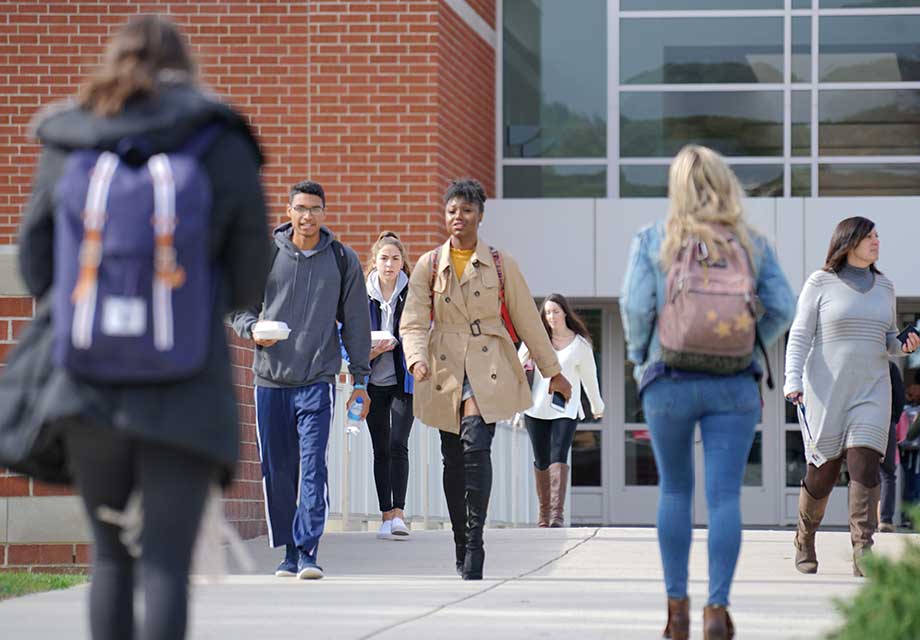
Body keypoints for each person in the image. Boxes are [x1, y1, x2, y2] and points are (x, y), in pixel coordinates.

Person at [14, 15, 270, 640]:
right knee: (164, 562)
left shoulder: (71, 136)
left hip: (88, 385)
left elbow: (34, 263)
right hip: (185, 386)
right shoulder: (220, 139)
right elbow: (251, 273)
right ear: (187, 65)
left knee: (111, 558)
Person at [621, 145, 795, 640]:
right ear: (725, 183)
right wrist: (749, 344)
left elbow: (634, 308)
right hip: (734, 385)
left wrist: (640, 359)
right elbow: (784, 306)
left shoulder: (655, 238)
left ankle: (676, 612)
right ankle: (716, 612)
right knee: (724, 499)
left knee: (675, 490)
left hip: (668, 379)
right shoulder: (752, 243)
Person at [400, 178, 572, 580]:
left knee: (476, 447)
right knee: (452, 458)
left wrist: (555, 373)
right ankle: (460, 538)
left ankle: (475, 542)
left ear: (480, 215)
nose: (457, 218)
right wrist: (415, 359)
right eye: (451, 211)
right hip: (443, 365)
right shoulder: (428, 264)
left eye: (466, 211)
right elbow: (412, 319)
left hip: (487, 360)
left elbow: (529, 321)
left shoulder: (500, 262)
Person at [230, 180, 372, 580]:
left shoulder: (343, 259)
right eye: (300, 208)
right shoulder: (265, 255)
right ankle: (289, 552)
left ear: (324, 213)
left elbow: (357, 323)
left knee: (312, 468)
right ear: (289, 212)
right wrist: (252, 327)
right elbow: (237, 306)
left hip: (317, 381)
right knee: (278, 471)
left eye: (314, 209)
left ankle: (308, 551)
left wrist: (360, 380)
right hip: (270, 381)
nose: (307, 216)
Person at [784, 216, 920, 578]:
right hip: (826, 392)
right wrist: (791, 380)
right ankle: (805, 537)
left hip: (871, 391)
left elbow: (887, 339)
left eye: (878, 236)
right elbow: (799, 335)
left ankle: (864, 550)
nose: (877, 241)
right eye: (870, 236)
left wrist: (903, 345)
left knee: (865, 463)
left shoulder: (885, 286)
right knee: (823, 473)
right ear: (849, 241)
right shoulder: (821, 282)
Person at [519, 293, 604, 528]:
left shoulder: (580, 345)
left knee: (559, 455)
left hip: (565, 408)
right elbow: (517, 372)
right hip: (535, 409)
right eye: (547, 313)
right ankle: (544, 514)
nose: (551, 317)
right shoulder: (535, 341)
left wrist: (597, 406)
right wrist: (516, 410)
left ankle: (557, 514)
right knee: (541, 459)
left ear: (565, 312)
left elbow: (590, 379)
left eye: (555, 311)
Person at [364, 231, 415, 540]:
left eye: (395, 258)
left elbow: (421, 329)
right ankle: (385, 514)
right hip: (371, 381)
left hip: (403, 380)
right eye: (384, 258)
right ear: (375, 261)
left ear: (402, 262)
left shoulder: (412, 293)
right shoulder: (361, 293)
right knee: (380, 448)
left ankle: (399, 514)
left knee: (398, 443)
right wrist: (362, 352)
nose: (389, 264)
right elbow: (347, 333)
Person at [879, 362, 906, 532]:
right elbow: (900, 397)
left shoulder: (859, 363)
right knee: (887, 473)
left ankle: (860, 519)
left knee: (860, 474)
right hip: (886, 421)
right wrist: (894, 418)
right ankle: (885, 520)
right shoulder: (889, 366)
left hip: (860, 422)